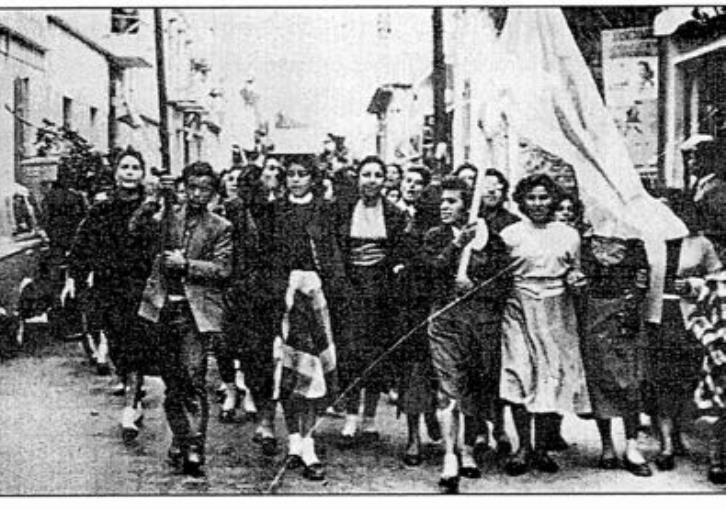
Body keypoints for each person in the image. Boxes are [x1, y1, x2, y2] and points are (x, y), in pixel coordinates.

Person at [137, 161, 233, 476]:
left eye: (205, 189)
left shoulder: (220, 226)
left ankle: (194, 447)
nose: (197, 194)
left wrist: (187, 264)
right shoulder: (167, 217)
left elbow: (223, 269)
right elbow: (135, 230)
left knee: (193, 378)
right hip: (162, 309)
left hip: (195, 314)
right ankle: (180, 437)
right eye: (191, 187)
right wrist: (154, 197)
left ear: (213, 192)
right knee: (172, 383)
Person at [63, 147, 158, 442]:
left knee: (136, 343)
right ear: (116, 173)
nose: (129, 172)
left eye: (135, 167)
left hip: (141, 286)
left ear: (142, 174)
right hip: (109, 286)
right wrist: (74, 277)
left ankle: (130, 406)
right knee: (116, 343)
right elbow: (82, 244)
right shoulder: (101, 208)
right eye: (124, 167)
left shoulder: (152, 208)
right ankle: (132, 392)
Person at [499, 173, 591, 476]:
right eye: (531, 197)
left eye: (544, 197)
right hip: (519, 307)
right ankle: (522, 447)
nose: (538, 203)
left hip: (556, 310)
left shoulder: (568, 234)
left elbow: (575, 271)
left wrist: (575, 279)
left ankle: (541, 449)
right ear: (522, 201)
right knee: (520, 372)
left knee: (550, 376)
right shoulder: (510, 234)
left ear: (553, 200)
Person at [424, 177, 511, 493]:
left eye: (452, 201)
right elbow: (429, 272)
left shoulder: (491, 239)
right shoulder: (435, 236)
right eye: (442, 201)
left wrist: (477, 287)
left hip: (480, 324)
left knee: (474, 388)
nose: (444, 206)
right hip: (445, 322)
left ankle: (469, 450)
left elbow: (504, 283)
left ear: (468, 205)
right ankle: (450, 457)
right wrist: (456, 245)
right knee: (449, 389)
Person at [269, 157, 350, 482]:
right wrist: (281, 285)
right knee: (288, 371)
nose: (295, 179)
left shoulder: (326, 210)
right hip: (285, 299)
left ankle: (309, 444)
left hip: (317, 298)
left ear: (313, 178)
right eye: (290, 174)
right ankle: (294, 441)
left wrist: (325, 283)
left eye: (302, 174)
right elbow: (268, 255)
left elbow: (334, 253)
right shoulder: (275, 210)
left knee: (313, 370)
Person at [335, 156, 408, 445]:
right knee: (350, 352)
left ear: (385, 180)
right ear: (358, 178)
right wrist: (342, 284)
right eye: (366, 174)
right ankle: (351, 415)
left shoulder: (395, 214)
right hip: (349, 287)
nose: (372, 180)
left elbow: (399, 252)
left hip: (381, 290)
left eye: (378, 175)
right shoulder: (342, 209)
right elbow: (335, 250)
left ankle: (370, 417)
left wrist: (393, 275)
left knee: (376, 353)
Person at [648, 192, 722, 471]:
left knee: (686, 379)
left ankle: (679, 433)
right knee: (661, 381)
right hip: (657, 318)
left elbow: (716, 278)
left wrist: (693, 284)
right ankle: (666, 444)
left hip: (690, 319)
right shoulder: (650, 239)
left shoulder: (701, 243)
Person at [579, 224, 652, 476]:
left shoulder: (634, 243)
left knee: (629, 381)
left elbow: (642, 280)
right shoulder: (585, 242)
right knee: (599, 379)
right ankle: (607, 445)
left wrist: (630, 305)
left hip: (623, 314)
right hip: (593, 314)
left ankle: (632, 446)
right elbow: (579, 277)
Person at [393, 165, 442, 465]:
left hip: (444, 307)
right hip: (414, 309)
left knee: (441, 370)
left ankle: (433, 413)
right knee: (413, 372)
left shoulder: (454, 233)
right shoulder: (409, 231)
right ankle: (413, 436)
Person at [689, 270, 726, 484]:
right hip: (720, 354)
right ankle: (717, 458)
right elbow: (697, 316)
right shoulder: (715, 283)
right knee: (719, 409)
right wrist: (711, 343)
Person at [682, 135, 726, 261]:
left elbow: (720, 228)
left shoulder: (717, 188)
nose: (689, 163)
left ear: (707, 159)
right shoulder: (700, 186)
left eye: (692, 157)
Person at [479, 168, 520, 235]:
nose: (491, 191)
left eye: (497, 187)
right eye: (487, 187)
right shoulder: (471, 218)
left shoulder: (513, 222)